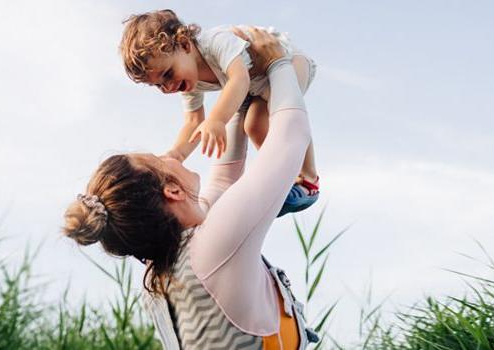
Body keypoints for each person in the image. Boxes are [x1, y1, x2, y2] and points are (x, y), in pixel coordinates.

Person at [63, 27, 318, 349]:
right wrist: (279, 65)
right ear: (172, 191)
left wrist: (239, 100)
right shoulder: (214, 247)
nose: (170, 154)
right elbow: (290, 138)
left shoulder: (168, 264)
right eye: (159, 158)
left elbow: (225, 178)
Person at [119, 9, 320, 216]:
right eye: (159, 86)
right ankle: (287, 177)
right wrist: (176, 154)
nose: (169, 87)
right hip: (260, 83)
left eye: (168, 74)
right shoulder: (188, 82)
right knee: (253, 126)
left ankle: (308, 179)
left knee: (279, 118)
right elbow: (193, 121)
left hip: (288, 59)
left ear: (185, 44)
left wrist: (217, 120)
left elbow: (239, 79)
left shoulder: (215, 42)